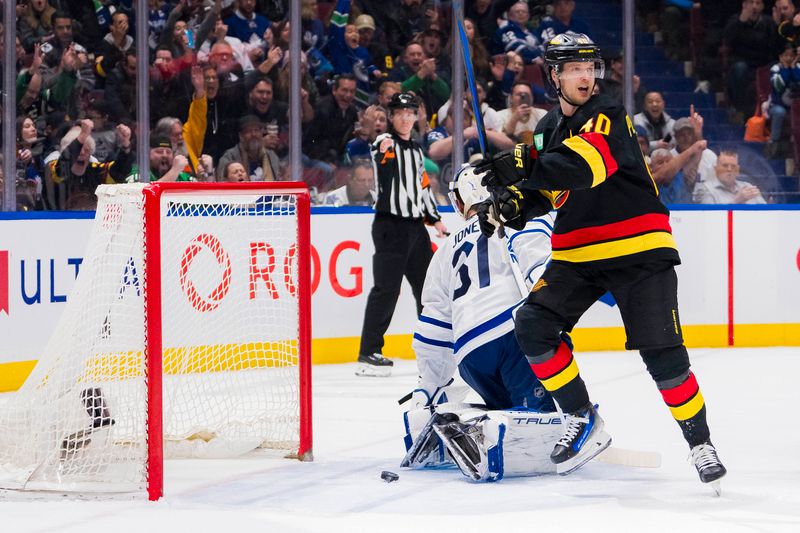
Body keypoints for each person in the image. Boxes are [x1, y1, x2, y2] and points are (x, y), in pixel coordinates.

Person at [473, 32, 727, 489]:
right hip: (577, 252)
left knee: (663, 355)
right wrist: (506, 205)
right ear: (554, 75)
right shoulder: (550, 127)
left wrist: (513, 163)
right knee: (533, 323)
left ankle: (700, 443)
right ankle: (580, 416)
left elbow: (584, 168)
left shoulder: (607, 113)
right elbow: (550, 189)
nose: (585, 76)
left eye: (589, 68)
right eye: (573, 69)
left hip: (638, 248)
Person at [401, 163, 558, 481]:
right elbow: (540, 266)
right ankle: (493, 430)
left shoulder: (445, 249)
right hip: (511, 339)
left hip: (470, 357)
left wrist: (429, 387)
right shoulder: (515, 215)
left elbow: (434, 325)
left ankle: (447, 421)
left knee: (512, 406)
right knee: (541, 419)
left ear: (460, 202)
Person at [356, 92, 448, 377]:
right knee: (386, 289)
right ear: (392, 117)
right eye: (400, 113)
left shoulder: (417, 151)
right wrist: (385, 151)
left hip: (415, 228)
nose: (406, 118)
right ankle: (369, 352)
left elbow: (422, 188)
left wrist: (434, 220)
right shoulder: (384, 143)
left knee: (427, 290)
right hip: (390, 226)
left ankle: (433, 347)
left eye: (411, 113)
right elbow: (385, 169)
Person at [693, 149, 767, 204]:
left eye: (733, 166)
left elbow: (766, 212)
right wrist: (736, 201)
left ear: (738, 170)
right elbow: (710, 218)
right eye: (725, 166)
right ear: (716, 169)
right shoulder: (706, 189)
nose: (729, 169)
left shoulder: (748, 186)